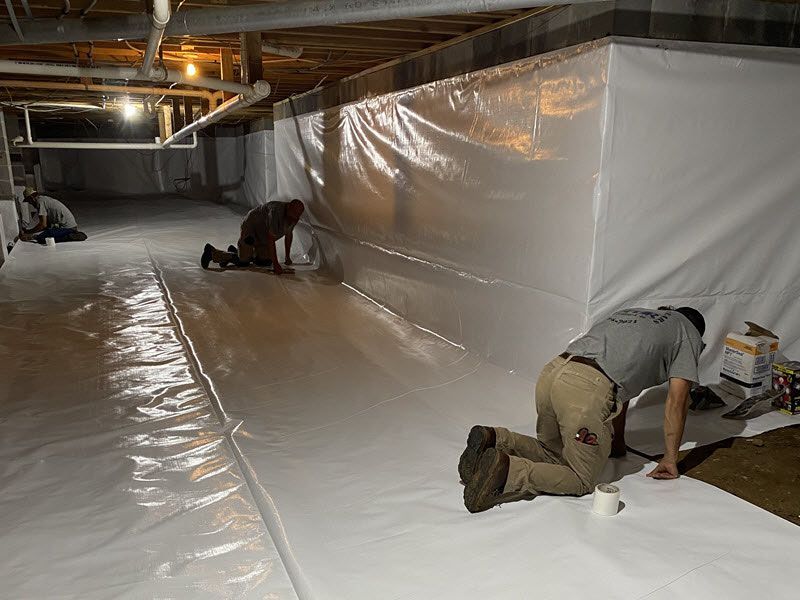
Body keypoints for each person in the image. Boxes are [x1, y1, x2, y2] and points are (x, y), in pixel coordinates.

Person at [459, 306, 706, 513]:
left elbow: (624, 386)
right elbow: (677, 401)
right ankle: (507, 472)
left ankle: (495, 439)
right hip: (585, 389)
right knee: (581, 480)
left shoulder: (638, 315)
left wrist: (618, 442)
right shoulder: (687, 333)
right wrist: (671, 458)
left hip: (554, 370)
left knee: (553, 451)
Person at [201, 199, 304, 275]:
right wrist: (276, 264)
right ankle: (212, 253)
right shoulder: (275, 212)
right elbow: (271, 239)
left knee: (264, 262)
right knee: (243, 262)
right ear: (289, 206)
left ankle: (239, 252)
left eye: (297, 217)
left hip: (263, 233)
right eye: (293, 216)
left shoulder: (293, 217)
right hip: (251, 228)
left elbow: (289, 234)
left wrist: (287, 257)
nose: (294, 219)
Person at [18, 187, 88, 243]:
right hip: (69, 226)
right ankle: (67, 233)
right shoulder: (43, 199)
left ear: (31, 198)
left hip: (68, 227)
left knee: (43, 238)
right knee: (47, 232)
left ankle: (70, 236)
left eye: (28, 201)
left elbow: (43, 225)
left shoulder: (40, 202)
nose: (29, 203)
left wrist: (29, 233)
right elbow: (46, 225)